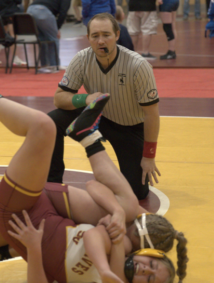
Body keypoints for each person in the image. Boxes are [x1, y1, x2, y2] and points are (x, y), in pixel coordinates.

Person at [0, 56, 182, 283]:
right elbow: (95, 193)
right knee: (125, 204)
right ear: (149, 252)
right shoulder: (117, 238)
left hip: (40, 214)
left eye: (149, 278)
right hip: (48, 205)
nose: (145, 271)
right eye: (152, 267)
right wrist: (119, 215)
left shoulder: (117, 253)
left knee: (44, 129)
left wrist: (35, 250)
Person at [48, 13, 161, 201]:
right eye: (95, 36)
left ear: (117, 35)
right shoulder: (81, 59)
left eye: (106, 35)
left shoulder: (138, 65)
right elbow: (59, 98)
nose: (101, 41)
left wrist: (149, 156)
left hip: (130, 128)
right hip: (96, 118)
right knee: (51, 121)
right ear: (88, 38)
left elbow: (151, 114)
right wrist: (86, 99)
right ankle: (52, 182)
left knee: (137, 193)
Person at [27, 0, 73, 72]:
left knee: (42, 38)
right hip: (42, 11)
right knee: (53, 38)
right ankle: (54, 65)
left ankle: (44, 65)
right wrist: (57, 28)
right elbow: (63, 12)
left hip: (30, 10)